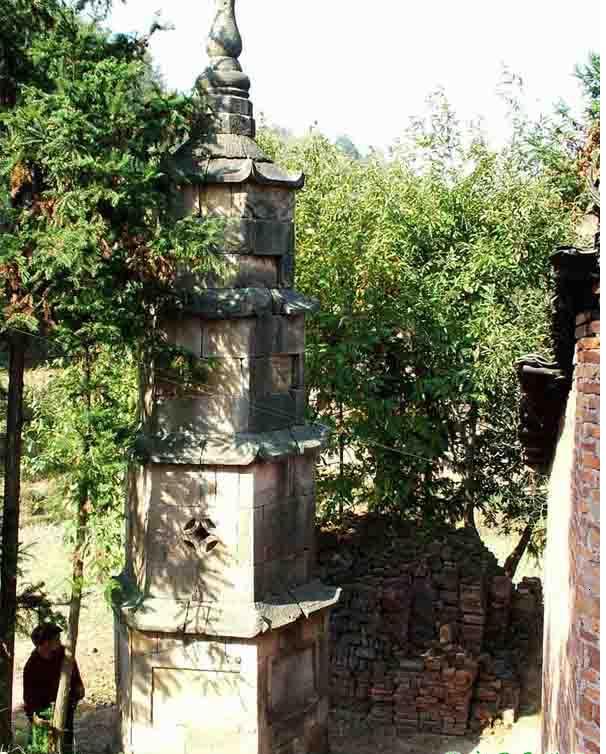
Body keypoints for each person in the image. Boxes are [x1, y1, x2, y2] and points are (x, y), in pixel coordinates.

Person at [23, 623, 85, 754]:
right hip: (43, 714)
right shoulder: (31, 666)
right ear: (46, 643)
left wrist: (77, 690)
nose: (60, 642)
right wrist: (35, 718)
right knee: (42, 748)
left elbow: (74, 676)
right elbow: (28, 699)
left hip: (64, 709)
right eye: (56, 639)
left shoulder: (63, 655)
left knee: (65, 746)